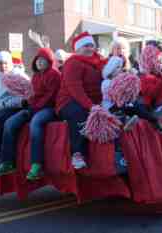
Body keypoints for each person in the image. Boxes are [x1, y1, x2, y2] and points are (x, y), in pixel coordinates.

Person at [0, 47, 61, 179]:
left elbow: (51, 96)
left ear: (49, 61)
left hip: (49, 109)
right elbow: (31, 94)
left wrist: (35, 106)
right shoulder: (36, 76)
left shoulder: (54, 75)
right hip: (34, 108)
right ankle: (7, 161)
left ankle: (36, 164)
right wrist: (30, 102)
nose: (39, 63)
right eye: (37, 60)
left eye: (43, 60)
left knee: (35, 124)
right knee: (9, 123)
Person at [56, 32, 107, 169]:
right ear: (77, 49)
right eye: (86, 46)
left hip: (93, 102)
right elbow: (75, 89)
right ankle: (77, 153)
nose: (90, 48)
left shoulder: (100, 61)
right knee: (79, 113)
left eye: (91, 45)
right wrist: (92, 107)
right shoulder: (72, 63)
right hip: (68, 101)